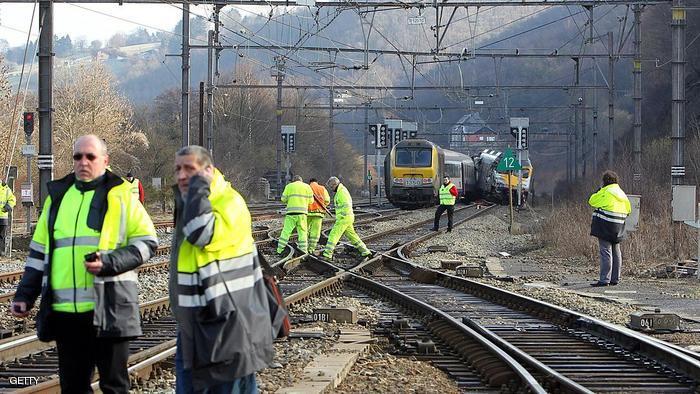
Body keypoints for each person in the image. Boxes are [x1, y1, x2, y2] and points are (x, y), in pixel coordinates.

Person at [11, 134, 158, 393]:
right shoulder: (58, 198)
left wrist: (110, 262)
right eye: (77, 156)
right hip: (68, 314)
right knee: (73, 387)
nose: (83, 162)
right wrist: (25, 295)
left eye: (90, 156)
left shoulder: (122, 196)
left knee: (114, 386)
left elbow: (147, 243)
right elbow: (38, 253)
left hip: (110, 308)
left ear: (104, 160)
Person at [171, 145, 273, 393]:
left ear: (209, 171)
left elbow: (201, 233)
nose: (183, 176)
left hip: (229, 328)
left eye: (190, 169)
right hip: (196, 327)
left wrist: (197, 188)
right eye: (178, 169)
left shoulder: (229, 203)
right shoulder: (191, 204)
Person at [588, 170, 631, 287]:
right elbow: (629, 210)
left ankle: (604, 280)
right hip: (619, 226)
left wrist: (599, 190)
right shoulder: (622, 193)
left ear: (604, 181)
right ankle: (615, 279)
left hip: (606, 226)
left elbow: (592, 201)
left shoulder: (606, 192)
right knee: (616, 252)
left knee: (605, 251)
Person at [321, 177, 372, 260]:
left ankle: (327, 254)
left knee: (333, 235)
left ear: (334, 184)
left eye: (331, 187)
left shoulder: (341, 192)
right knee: (352, 236)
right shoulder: (341, 191)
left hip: (344, 218)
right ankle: (365, 251)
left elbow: (346, 206)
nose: (331, 188)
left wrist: (341, 217)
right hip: (347, 217)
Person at [276, 175, 313, 254]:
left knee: (286, 231)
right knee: (303, 233)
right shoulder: (307, 187)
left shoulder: (289, 186)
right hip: (302, 214)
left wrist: (290, 201)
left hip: (291, 214)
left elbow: (283, 199)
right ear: (301, 180)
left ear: (293, 180)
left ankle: (279, 250)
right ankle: (304, 251)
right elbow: (311, 201)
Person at [307, 178, 330, 252]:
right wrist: (323, 205)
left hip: (307, 212)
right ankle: (311, 249)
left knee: (305, 230)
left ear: (310, 182)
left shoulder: (307, 187)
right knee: (315, 232)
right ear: (317, 182)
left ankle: (303, 247)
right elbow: (327, 200)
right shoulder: (322, 188)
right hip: (319, 213)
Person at [0, 180, 16, 255]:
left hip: (2, 217)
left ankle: (0, 253)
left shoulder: (6, 189)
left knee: (1, 236)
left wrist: (8, 207)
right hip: (3, 218)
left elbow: (12, 200)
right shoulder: (6, 189)